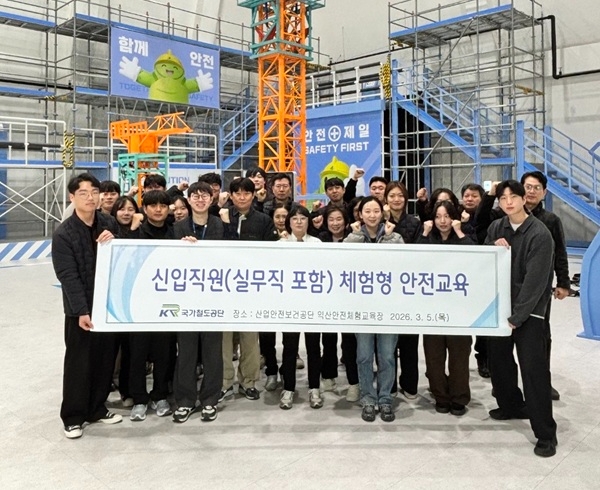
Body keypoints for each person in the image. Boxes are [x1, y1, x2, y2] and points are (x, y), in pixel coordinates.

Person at [485, 180, 557, 458]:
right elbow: (484, 260)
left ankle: (546, 434)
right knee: (499, 364)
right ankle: (511, 406)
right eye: (503, 198)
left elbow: (536, 282)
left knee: (533, 372)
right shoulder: (497, 227)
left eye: (513, 197)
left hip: (529, 314)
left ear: (523, 199)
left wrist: (518, 316)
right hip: (499, 310)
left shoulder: (539, 234)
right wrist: (493, 246)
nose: (508, 202)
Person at [52, 172, 122, 439]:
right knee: (78, 363)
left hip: (107, 307)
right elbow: (67, 275)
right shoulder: (64, 234)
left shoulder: (108, 222)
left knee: (104, 360)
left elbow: (122, 253)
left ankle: (96, 408)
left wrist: (115, 238)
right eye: (83, 193)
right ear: (72, 197)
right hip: (80, 311)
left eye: (94, 192)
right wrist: (81, 310)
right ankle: (73, 416)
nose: (90, 197)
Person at [344, 196, 404, 422]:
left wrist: (387, 238)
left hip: (388, 307)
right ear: (360, 214)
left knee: (387, 356)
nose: (371, 215)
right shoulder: (353, 236)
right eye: (367, 211)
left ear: (382, 213)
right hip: (362, 307)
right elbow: (343, 259)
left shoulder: (394, 236)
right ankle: (368, 399)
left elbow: (402, 262)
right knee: (363, 356)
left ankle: (385, 399)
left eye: (376, 211)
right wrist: (356, 235)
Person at [220, 177, 280, 401]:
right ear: (231, 195)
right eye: (237, 193)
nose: (242, 197)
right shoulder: (221, 217)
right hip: (224, 288)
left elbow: (271, 253)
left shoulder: (263, 220)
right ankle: (224, 382)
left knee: (250, 338)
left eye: (246, 193)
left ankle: (248, 382)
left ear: (253, 195)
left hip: (251, 289)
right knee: (224, 339)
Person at [171, 182, 224, 423]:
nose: (200, 199)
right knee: (186, 351)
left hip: (214, 298)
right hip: (186, 299)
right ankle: (185, 400)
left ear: (212, 200)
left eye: (204, 196)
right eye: (195, 196)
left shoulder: (221, 226)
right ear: (188, 200)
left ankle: (210, 399)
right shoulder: (178, 228)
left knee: (213, 352)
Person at [417, 200, 475, 415]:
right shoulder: (427, 237)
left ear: (454, 218)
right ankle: (440, 396)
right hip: (432, 308)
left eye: (447, 216)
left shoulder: (463, 236)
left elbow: (476, 257)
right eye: (438, 216)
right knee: (434, 356)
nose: (443, 221)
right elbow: (414, 260)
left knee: (459, 356)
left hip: (459, 309)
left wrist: (459, 232)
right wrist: (424, 233)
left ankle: (459, 398)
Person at [520, 171, 570, 401]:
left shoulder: (551, 220)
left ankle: (542, 383)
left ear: (544, 192)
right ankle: (506, 383)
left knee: (540, 335)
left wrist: (563, 283)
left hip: (540, 289)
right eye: (527, 187)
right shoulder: (508, 216)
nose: (531, 191)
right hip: (511, 286)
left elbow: (560, 253)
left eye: (536, 188)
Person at [278, 205, 334, 409]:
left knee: (313, 347)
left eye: (303, 218)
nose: (299, 222)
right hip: (290, 304)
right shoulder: (281, 244)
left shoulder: (316, 243)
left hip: (312, 303)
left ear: (308, 222)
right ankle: (289, 388)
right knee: (289, 347)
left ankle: (314, 388)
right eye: (295, 218)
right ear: (289, 222)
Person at [129, 190, 175, 422]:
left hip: (166, 302)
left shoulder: (175, 233)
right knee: (137, 353)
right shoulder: (135, 234)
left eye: (163, 206)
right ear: (144, 209)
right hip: (138, 302)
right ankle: (139, 398)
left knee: (164, 352)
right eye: (153, 205)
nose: (158, 209)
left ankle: (160, 395)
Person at [384, 181, 421, 400]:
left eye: (400, 196)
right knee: (387, 345)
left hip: (408, 288)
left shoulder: (414, 223)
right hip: (385, 287)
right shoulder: (379, 221)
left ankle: (409, 384)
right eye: (392, 196)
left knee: (409, 342)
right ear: (385, 199)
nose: (396, 199)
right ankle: (388, 385)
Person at [318, 205, 359, 402]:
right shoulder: (321, 239)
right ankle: (328, 376)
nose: (335, 223)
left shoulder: (354, 238)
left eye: (339, 219)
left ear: (346, 221)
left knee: (350, 342)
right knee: (328, 339)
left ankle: (353, 383)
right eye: (331, 220)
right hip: (328, 297)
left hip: (350, 298)